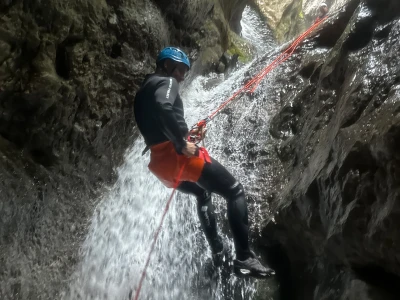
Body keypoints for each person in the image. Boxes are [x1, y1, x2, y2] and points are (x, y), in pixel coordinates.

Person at [134, 47, 274, 278]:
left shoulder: (142, 91)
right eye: (180, 70)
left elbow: (157, 124)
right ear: (167, 65)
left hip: (160, 166)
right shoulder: (166, 82)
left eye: (185, 72)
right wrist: (181, 143)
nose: (181, 76)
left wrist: (186, 134)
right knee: (235, 191)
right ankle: (244, 258)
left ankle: (217, 249)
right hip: (178, 157)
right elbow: (163, 107)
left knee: (202, 193)